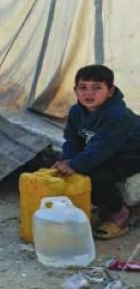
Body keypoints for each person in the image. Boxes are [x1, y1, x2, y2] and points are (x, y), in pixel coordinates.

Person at [54, 65, 140, 241]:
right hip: (109, 151)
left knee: (96, 173)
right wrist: (68, 159)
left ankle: (120, 213)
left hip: (132, 153)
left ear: (110, 91)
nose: (89, 93)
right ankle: (103, 208)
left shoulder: (118, 115)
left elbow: (103, 147)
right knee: (68, 166)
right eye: (83, 87)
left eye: (97, 88)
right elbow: (72, 139)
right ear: (75, 90)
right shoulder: (77, 111)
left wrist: (75, 164)